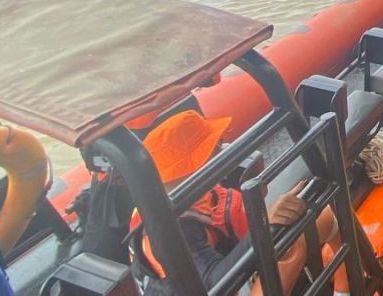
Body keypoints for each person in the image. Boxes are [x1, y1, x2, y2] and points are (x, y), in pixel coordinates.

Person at [136, 110, 336, 296]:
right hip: (210, 287)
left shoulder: (205, 194)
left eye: (218, 144)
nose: (219, 150)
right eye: (213, 148)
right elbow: (213, 284)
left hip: (232, 266)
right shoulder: (168, 230)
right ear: (187, 169)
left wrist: (272, 219)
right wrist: (264, 225)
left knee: (324, 216)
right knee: (289, 250)